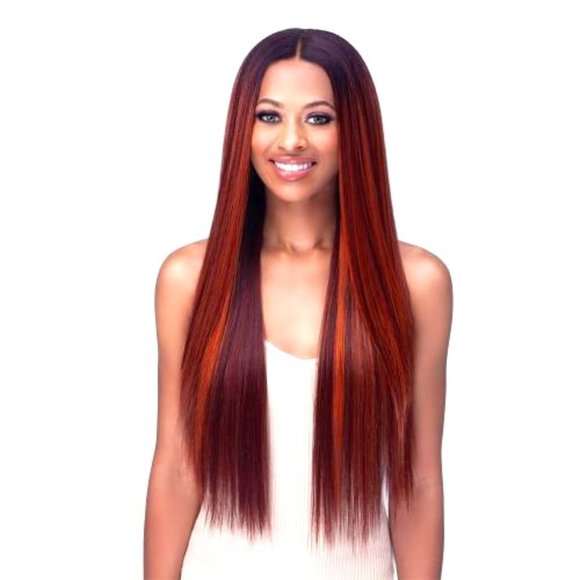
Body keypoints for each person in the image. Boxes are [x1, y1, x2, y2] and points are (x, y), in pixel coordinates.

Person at [144, 28, 453, 580]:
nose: (291, 140)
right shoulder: (189, 279)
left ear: (355, 130)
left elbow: (420, 481)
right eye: (268, 116)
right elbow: (176, 467)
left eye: (318, 118)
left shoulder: (416, 283)